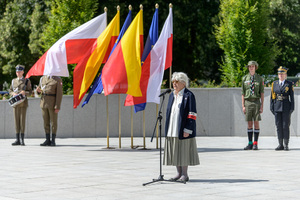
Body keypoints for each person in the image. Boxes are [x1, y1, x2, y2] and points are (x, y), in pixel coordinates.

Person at [163, 72, 200, 183]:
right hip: (172, 128)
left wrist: (187, 129)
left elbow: (192, 113)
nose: (174, 84)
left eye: (177, 82)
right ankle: (178, 173)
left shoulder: (189, 95)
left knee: (183, 152)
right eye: (173, 82)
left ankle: (185, 174)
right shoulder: (172, 95)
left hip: (183, 129)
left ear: (183, 83)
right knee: (175, 151)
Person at [241, 61, 264, 150]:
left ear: (255, 67)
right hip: (248, 102)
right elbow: (242, 93)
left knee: (256, 123)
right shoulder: (244, 78)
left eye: (253, 66)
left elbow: (262, 92)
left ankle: (255, 143)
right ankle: (250, 143)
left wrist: (262, 105)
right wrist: (243, 105)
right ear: (248, 68)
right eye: (250, 66)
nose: (251, 68)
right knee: (249, 123)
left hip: (256, 102)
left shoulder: (259, 78)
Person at [270, 66, 294, 151]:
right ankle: (280, 144)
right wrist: (271, 107)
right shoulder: (274, 84)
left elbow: (292, 97)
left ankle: (286, 144)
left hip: (286, 107)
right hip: (277, 107)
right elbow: (272, 97)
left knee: (285, 126)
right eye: (279, 74)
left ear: (285, 75)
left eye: (282, 74)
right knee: (278, 126)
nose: (281, 75)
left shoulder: (289, 84)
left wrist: (292, 108)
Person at [9, 65, 32, 146]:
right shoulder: (13, 81)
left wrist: (24, 93)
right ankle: (17, 139)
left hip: (23, 104)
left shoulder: (26, 81)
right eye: (17, 72)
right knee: (16, 122)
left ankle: (22, 140)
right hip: (15, 104)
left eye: (19, 71)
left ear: (23, 72)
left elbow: (30, 92)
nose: (18, 73)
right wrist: (13, 93)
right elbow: (10, 90)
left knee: (22, 121)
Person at [36, 75, 63, 146]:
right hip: (43, 103)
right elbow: (40, 90)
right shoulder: (42, 78)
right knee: (46, 122)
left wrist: (57, 106)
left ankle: (53, 140)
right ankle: (47, 139)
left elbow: (59, 94)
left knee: (53, 122)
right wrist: (38, 91)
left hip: (52, 103)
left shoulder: (57, 79)